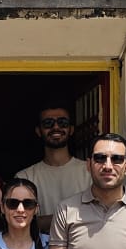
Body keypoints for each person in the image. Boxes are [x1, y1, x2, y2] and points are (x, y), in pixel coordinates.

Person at [15, 99, 91, 231]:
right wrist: (75, 216)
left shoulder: (90, 171)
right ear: (39, 131)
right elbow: (22, 223)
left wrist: (46, 220)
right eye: (48, 123)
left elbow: (100, 217)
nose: (56, 127)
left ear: (71, 129)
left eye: (62, 122)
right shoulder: (24, 177)